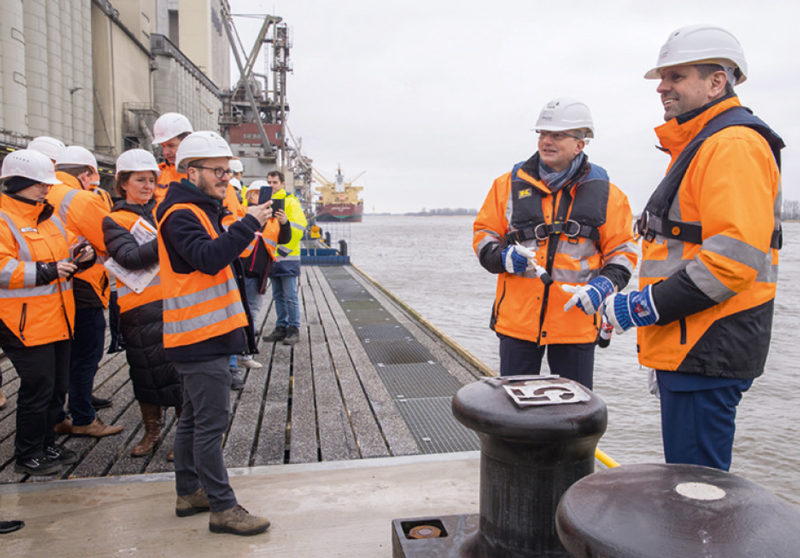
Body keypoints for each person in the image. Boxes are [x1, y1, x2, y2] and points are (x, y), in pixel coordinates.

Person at [601, 25, 783, 471]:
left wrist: (641, 308)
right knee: (691, 483)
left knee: (697, 492)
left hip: (706, 345)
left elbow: (732, 261)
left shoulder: (733, 144)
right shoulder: (706, 143)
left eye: (676, 77)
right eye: (663, 78)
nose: (662, 88)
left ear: (718, 81)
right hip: (692, 345)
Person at [472, 98, 637, 389]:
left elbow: (623, 252)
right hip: (518, 324)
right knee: (513, 412)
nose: (546, 141)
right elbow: (484, 234)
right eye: (542, 134)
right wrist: (502, 256)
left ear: (580, 144)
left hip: (577, 322)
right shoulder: (505, 186)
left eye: (558, 135)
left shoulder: (610, 196)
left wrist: (605, 285)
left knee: (573, 417)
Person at [157, 131, 272, 535]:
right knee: (211, 423)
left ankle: (189, 492)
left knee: (193, 419)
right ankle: (223, 507)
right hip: (198, 335)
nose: (226, 178)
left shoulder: (200, 208)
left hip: (207, 332)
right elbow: (207, 259)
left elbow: (224, 255)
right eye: (217, 171)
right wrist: (246, 225)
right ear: (192, 172)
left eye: (227, 170)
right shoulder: (180, 213)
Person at [0, 150, 95, 476]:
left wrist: (84, 254)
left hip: (57, 318)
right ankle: (27, 453)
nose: (45, 190)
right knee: (36, 388)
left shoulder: (48, 216)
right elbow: (2, 268)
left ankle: (45, 443)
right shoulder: (3, 218)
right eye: (39, 184)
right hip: (22, 322)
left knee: (56, 387)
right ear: (18, 183)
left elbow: (71, 244)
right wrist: (49, 270)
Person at [102, 150, 182, 459]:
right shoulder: (114, 219)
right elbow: (129, 258)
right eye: (140, 180)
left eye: (151, 180)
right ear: (123, 183)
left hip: (173, 302)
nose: (147, 186)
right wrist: (167, 237)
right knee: (144, 371)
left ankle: (182, 433)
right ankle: (152, 430)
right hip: (138, 307)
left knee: (178, 371)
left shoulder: (163, 211)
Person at [50, 146, 122, 437]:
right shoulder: (80, 199)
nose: (95, 184)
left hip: (50, 286)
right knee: (86, 355)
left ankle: (57, 416)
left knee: (62, 356)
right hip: (84, 285)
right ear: (86, 173)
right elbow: (110, 241)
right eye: (93, 178)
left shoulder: (45, 194)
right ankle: (83, 418)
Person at [238, 180, 292, 371]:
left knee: (251, 313)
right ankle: (231, 361)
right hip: (238, 272)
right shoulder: (242, 213)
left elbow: (284, 239)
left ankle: (245, 354)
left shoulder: (272, 220)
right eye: (260, 194)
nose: (265, 199)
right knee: (234, 314)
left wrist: (285, 223)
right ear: (250, 196)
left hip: (259, 275)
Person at [261, 171, 308, 346]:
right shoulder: (266, 202)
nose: (271, 185)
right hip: (273, 256)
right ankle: (281, 327)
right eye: (269, 182)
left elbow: (298, 227)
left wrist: (283, 249)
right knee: (278, 295)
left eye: (274, 182)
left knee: (290, 295)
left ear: (282, 183)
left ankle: (293, 328)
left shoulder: (290, 201)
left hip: (287, 256)